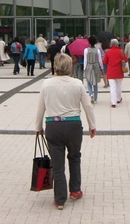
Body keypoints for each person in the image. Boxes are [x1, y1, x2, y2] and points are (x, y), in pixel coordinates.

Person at [35, 53, 96, 211]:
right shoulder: (77, 84)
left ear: (54, 67)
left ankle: (60, 199)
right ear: (70, 67)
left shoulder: (46, 84)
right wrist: (92, 125)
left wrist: (38, 127)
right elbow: (88, 106)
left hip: (53, 126)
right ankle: (75, 190)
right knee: (75, 157)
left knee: (58, 164)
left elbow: (40, 107)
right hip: (74, 125)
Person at [102, 39, 127, 108]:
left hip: (111, 72)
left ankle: (113, 102)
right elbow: (126, 59)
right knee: (118, 86)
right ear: (117, 44)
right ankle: (119, 98)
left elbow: (104, 61)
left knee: (112, 87)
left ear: (111, 44)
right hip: (119, 72)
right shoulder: (121, 51)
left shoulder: (108, 52)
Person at [83, 36, 103, 104]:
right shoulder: (97, 50)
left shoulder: (86, 50)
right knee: (95, 83)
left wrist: (84, 68)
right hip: (96, 66)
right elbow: (100, 60)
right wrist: (102, 68)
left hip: (89, 66)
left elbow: (85, 60)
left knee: (88, 81)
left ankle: (90, 94)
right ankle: (95, 99)